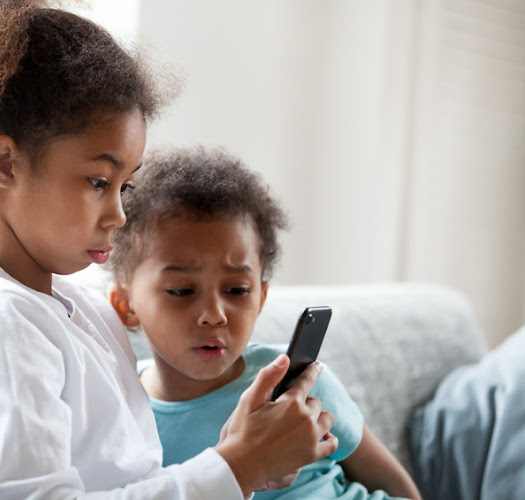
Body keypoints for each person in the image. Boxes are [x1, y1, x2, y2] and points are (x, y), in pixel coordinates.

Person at [0, 1, 338, 498]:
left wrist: (243, 459)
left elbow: (130, 482)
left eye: (125, 187)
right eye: (99, 181)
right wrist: (237, 466)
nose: (119, 215)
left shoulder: (86, 312)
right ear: (7, 165)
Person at [107, 147, 423, 500]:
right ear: (126, 306)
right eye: (182, 290)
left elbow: (389, 479)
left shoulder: (298, 384)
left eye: (237, 289)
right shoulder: (120, 408)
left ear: (261, 297)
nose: (215, 313)